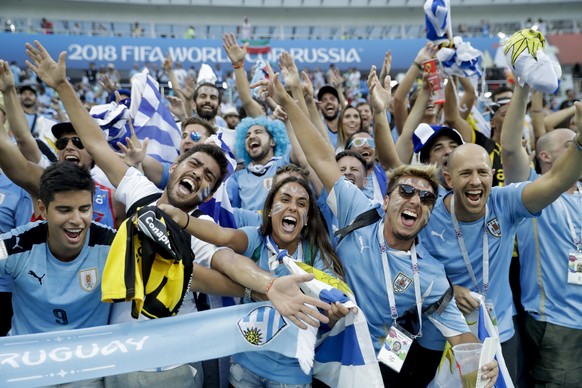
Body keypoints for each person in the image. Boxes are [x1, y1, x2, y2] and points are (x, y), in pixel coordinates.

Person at [26, 41, 331, 384]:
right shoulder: (141, 191)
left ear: (208, 194)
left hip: (172, 369)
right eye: (195, 165)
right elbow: (96, 143)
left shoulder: (200, 226)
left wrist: (268, 284)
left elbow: (229, 262)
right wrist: (62, 86)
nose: (199, 175)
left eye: (208, 178)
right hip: (117, 359)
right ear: (174, 168)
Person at [256, 61, 498, 387]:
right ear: (386, 200)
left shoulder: (429, 275)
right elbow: (323, 158)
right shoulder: (360, 211)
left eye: (425, 198)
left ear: (428, 215)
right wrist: (288, 100)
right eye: (406, 191)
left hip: (376, 370)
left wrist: (482, 363)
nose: (415, 200)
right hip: (326, 358)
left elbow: (462, 337)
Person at [418, 116, 582, 386]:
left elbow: (555, 181)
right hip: (440, 338)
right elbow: (406, 264)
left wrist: (579, 143)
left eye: (482, 172)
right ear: (447, 177)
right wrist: (447, 290)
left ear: (492, 175)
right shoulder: (427, 212)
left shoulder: (504, 201)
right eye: (465, 173)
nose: (475, 181)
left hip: (498, 334)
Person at [160, 175, 345, 387]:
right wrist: (183, 220)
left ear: (306, 219)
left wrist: (333, 316)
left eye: (301, 203)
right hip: (244, 366)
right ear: (268, 211)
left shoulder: (317, 258)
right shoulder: (255, 239)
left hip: (291, 375)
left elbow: (329, 316)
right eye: (285, 200)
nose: (293, 207)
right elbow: (222, 236)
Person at [0, 162, 115, 387]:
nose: (76, 220)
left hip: (86, 371)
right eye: (64, 210)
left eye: (84, 209)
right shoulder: (17, 245)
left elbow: (181, 273)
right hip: (24, 365)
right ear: (42, 209)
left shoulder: (114, 245)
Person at [501, 84, 582, 387]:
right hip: (557, 324)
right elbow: (509, 148)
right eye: (571, 144)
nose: (578, 149)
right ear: (544, 156)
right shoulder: (531, 191)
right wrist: (522, 90)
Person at [228, 116, 291, 211]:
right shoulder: (236, 177)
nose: (251, 137)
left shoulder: (286, 164)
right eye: (247, 135)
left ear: (273, 141)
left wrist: (288, 120)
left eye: (258, 132)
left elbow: (301, 153)